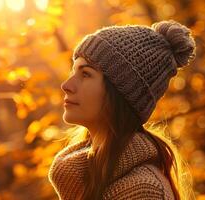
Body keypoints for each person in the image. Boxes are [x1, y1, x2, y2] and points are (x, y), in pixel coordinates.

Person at [48, 20, 196, 200]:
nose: (66, 85)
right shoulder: (84, 176)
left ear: (121, 92)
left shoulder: (144, 192)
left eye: (85, 74)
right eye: (73, 72)